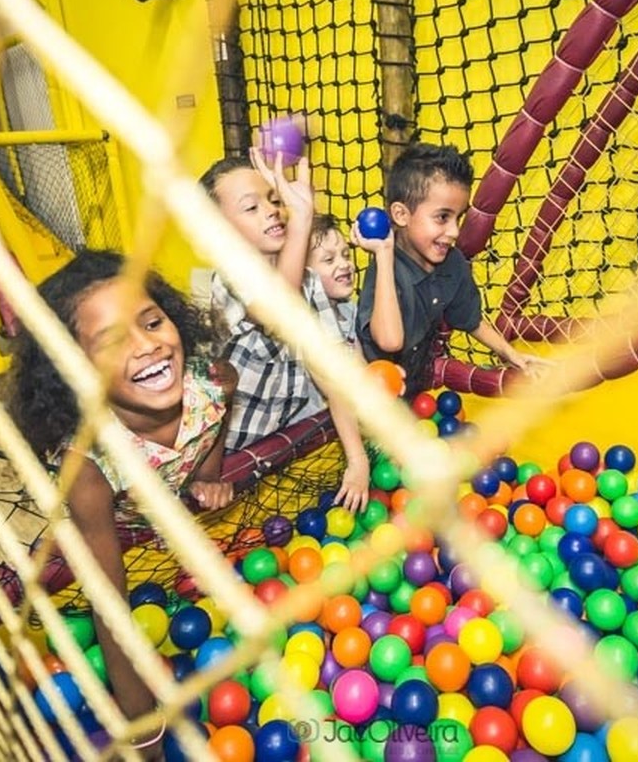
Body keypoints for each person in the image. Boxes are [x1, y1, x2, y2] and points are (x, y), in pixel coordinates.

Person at [11, 250, 235, 752]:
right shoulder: (88, 465)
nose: (147, 345)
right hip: (115, 520)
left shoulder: (212, 381)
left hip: (168, 494)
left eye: (152, 322)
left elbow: (222, 408)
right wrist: (142, 728)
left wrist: (209, 474)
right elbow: (108, 604)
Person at [202, 150, 369, 511]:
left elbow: (328, 373)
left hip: (281, 431)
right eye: (252, 207)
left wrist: (357, 461)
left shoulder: (310, 282)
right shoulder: (231, 278)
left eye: (274, 199)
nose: (271, 210)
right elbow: (277, 311)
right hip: (223, 446)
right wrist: (301, 221)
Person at [353, 143, 546, 396]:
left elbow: (471, 320)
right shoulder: (386, 268)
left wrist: (512, 355)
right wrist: (383, 253)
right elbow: (390, 341)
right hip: (369, 392)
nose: (454, 231)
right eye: (442, 217)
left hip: (412, 382)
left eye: (458, 218)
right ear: (401, 214)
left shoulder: (452, 263)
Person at [306, 213, 358, 347]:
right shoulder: (308, 324)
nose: (345, 264)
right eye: (329, 260)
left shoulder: (349, 309)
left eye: (346, 255)